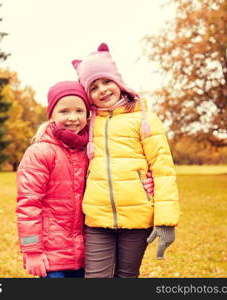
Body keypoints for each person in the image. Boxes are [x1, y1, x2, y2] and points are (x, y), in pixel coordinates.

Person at [72, 43, 180, 278]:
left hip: (137, 218)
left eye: (106, 81)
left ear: (118, 82)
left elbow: (163, 170)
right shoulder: (87, 124)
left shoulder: (144, 120)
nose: (102, 90)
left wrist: (166, 220)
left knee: (126, 277)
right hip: (97, 219)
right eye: (93, 87)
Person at [16, 81, 90, 278]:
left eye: (79, 111)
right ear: (52, 115)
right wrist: (32, 252)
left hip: (84, 254)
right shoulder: (40, 151)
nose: (73, 118)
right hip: (51, 256)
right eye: (64, 111)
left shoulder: (90, 150)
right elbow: (28, 205)